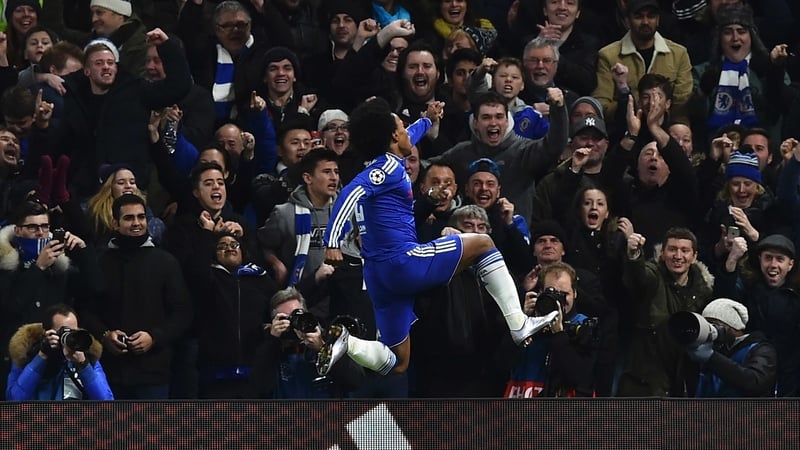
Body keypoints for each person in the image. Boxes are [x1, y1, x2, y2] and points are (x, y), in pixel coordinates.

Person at [317, 97, 557, 379]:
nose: (409, 131)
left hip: (379, 276)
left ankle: (349, 343)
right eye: (403, 127)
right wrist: (332, 241)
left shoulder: (383, 160)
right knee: (483, 243)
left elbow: (409, 137)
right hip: (402, 262)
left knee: (398, 362)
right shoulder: (388, 169)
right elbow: (350, 193)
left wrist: (428, 119)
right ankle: (518, 323)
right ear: (394, 136)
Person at [77, 194, 192, 399]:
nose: (136, 223)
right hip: (109, 372)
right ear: (115, 222)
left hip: (154, 372)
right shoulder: (100, 262)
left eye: (141, 217)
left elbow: (182, 313)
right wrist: (104, 335)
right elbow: (85, 309)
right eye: (129, 218)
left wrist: (154, 337)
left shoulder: (166, 262)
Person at [618, 227, 714, 396]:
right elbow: (638, 277)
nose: (678, 256)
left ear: (694, 257)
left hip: (683, 376)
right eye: (672, 249)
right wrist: (634, 255)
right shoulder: (653, 275)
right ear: (662, 253)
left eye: (684, 250)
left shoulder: (703, 289)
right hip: (644, 376)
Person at [187, 232, 278, 398]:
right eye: (222, 246)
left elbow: (283, 301)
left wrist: (315, 278)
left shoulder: (260, 278)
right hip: (214, 375)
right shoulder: (206, 277)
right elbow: (196, 268)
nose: (229, 248)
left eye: (234, 245)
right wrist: (207, 233)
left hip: (255, 374)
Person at [715, 233, 800, 396]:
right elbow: (723, 304)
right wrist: (731, 262)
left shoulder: (796, 297)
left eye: (779, 259)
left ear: (790, 265)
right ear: (760, 259)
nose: (773, 264)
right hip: (751, 374)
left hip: (789, 382)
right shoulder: (748, 290)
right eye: (768, 258)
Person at [506, 262, 600, 397]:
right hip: (520, 410)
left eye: (564, 294)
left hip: (565, 414)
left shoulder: (585, 326)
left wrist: (559, 334)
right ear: (540, 294)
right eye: (552, 293)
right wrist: (521, 322)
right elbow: (500, 365)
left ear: (575, 293)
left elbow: (579, 378)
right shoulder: (527, 323)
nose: (558, 301)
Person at [593, 0, 693, 127]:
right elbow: (602, 105)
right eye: (638, 16)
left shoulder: (679, 54)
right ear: (627, 21)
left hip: (668, 128)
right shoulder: (608, 55)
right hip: (623, 128)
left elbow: (682, 103)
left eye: (651, 16)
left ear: (658, 20)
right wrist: (634, 107)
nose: (645, 22)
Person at [251, 287, 364, 398]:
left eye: (297, 315)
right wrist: (273, 340)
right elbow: (260, 387)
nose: (294, 322)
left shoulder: (327, 339)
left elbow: (355, 381)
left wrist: (322, 348)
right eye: (287, 319)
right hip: (286, 414)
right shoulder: (271, 347)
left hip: (327, 413)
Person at [6, 304, 113, 400]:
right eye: (63, 332)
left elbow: (106, 401)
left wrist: (83, 365)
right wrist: (42, 356)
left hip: (76, 420)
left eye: (73, 332)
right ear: (46, 332)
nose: (69, 337)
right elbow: (14, 399)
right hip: (38, 419)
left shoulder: (88, 355)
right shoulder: (26, 354)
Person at [684, 298, 777, 397]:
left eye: (715, 324)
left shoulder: (761, 350)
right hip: (708, 410)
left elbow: (756, 382)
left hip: (745, 411)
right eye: (707, 324)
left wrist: (712, 358)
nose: (710, 329)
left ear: (734, 326)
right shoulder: (715, 347)